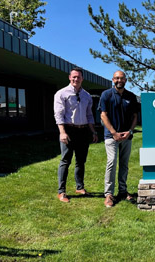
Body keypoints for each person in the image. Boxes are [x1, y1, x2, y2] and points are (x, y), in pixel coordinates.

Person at [54, 67, 98, 203]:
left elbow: (89, 115)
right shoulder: (61, 94)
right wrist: (62, 132)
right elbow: (59, 114)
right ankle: (61, 192)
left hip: (83, 131)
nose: (76, 79)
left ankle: (80, 187)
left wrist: (93, 131)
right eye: (73, 77)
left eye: (78, 77)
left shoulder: (87, 95)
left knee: (81, 161)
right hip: (69, 130)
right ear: (69, 77)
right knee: (65, 161)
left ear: (82, 79)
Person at [99, 70, 138, 208]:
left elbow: (135, 116)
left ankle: (122, 191)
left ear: (125, 80)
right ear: (112, 79)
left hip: (127, 136)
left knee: (124, 164)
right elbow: (103, 115)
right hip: (111, 136)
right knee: (112, 163)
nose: (119, 80)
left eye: (121, 78)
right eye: (116, 78)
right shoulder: (106, 95)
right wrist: (114, 132)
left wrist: (130, 131)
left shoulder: (131, 96)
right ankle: (109, 194)